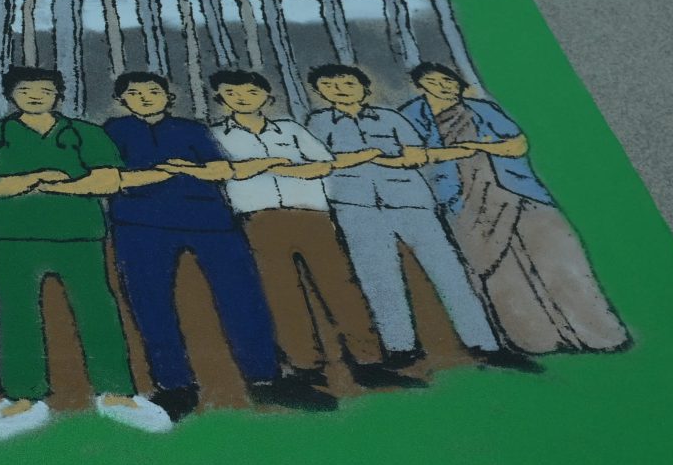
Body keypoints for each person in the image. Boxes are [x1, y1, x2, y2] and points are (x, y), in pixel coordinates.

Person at [101, 71, 333, 417]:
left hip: (209, 220)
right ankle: (175, 386)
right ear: (122, 101)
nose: (145, 97)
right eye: (134, 93)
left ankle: (265, 378)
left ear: (169, 96)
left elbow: (221, 170)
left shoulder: (192, 129)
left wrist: (188, 170)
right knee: (151, 303)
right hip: (141, 225)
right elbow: (109, 177)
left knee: (243, 296)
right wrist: (161, 174)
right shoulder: (113, 130)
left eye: (153, 91)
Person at [0, 66, 172, 440]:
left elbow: (107, 180)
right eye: (26, 89)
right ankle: (23, 397)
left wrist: (56, 186)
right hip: (12, 237)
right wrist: (38, 178)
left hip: (80, 235)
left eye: (45, 90)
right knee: (17, 314)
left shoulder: (84, 132)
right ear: (11, 95)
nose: (36, 96)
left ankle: (117, 393)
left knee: (98, 310)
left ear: (58, 95)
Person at [305, 64, 540, 374]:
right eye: (329, 85)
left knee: (449, 272)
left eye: (348, 83)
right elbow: (320, 162)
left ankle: (485, 344)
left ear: (364, 87)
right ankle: (400, 347)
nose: (340, 90)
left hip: (411, 202)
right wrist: (372, 155)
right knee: (378, 277)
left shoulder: (390, 118)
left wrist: (367, 158)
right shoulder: (318, 122)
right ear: (320, 92)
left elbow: (416, 155)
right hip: (355, 207)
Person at [205, 69, 420, 393]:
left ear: (267, 96)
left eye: (250, 92)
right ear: (221, 99)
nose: (242, 98)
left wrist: (267, 166)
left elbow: (323, 164)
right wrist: (276, 166)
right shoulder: (216, 135)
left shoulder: (291, 129)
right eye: (231, 93)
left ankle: (369, 362)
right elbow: (225, 172)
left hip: (311, 216)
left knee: (341, 287)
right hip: (258, 219)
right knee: (281, 293)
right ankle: (306, 365)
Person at [399, 62, 629, 354]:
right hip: (460, 202)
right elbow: (412, 157)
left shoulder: (481, 110)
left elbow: (516, 145)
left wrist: (477, 148)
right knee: (497, 270)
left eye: (449, 81)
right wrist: (464, 149)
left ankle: (598, 333)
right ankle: (534, 338)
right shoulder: (410, 116)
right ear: (420, 86)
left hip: (515, 190)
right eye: (434, 81)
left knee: (557, 253)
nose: (445, 86)